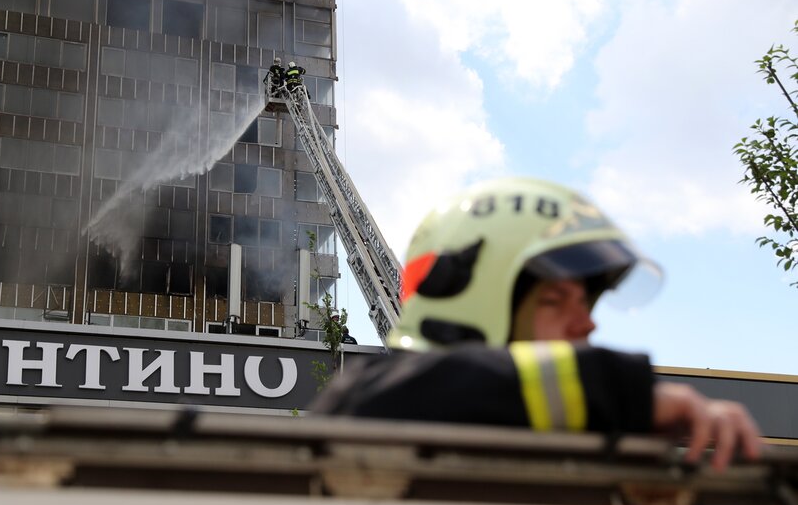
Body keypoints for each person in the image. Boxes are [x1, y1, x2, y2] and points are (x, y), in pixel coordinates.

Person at [310, 177, 761, 471]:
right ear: (476, 303)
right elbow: (393, 399)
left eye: (587, 303)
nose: (587, 326)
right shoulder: (372, 398)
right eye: (554, 300)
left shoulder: (563, 444)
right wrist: (625, 393)